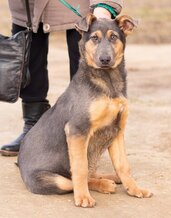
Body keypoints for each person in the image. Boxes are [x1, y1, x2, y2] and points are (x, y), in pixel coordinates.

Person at [0, 0, 123, 156]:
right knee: (30, 60)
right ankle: (34, 126)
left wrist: (105, 5)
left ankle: (85, 132)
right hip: (27, 7)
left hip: (79, 7)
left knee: (85, 68)